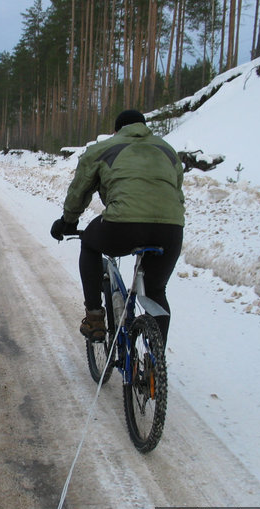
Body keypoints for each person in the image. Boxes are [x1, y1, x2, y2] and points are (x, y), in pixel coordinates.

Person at [50, 109, 185, 345]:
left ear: (116, 130)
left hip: (123, 225)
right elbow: (177, 193)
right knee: (156, 291)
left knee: (90, 243)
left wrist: (68, 222)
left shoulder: (104, 148)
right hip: (171, 229)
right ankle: (154, 371)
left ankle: (94, 318)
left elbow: (79, 191)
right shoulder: (167, 151)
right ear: (144, 126)